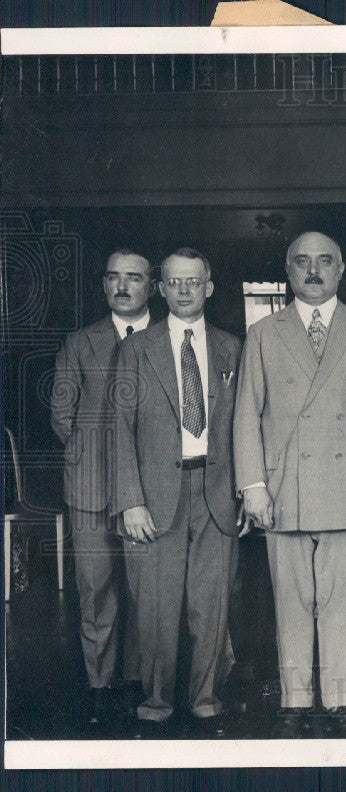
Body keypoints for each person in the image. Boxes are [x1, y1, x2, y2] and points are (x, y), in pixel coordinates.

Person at [234, 231, 346, 739]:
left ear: (342, 269)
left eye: (324, 261)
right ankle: (295, 699)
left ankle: (340, 699)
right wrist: (253, 485)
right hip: (286, 487)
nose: (313, 270)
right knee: (291, 601)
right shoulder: (264, 334)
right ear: (288, 270)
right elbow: (246, 415)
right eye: (302, 261)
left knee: (341, 602)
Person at [113, 247, 244, 738]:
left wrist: (247, 490)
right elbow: (119, 430)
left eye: (194, 281)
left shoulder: (233, 347)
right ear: (160, 289)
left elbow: (246, 427)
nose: (185, 289)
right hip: (155, 495)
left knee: (211, 606)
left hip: (216, 494)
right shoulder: (135, 349)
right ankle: (156, 701)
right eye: (175, 282)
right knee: (156, 606)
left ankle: (207, 699)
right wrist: (129, 499)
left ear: (208, 287)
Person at [50, 248, 153, 727]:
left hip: (151, 489)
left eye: (133, 277)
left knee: (145, 588)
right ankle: (99, 683)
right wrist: (92, 457)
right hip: (90, 487)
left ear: (151, 285)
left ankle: (138, 679)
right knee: (95, 588)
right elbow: (61, 413)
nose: (123, 286)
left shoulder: (166, 337)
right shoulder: (79, 342)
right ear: (103, 285)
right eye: (113, 277)